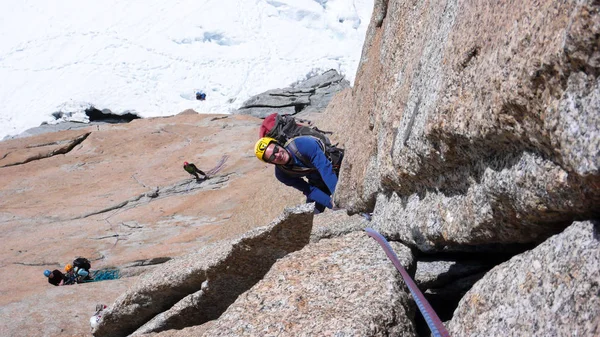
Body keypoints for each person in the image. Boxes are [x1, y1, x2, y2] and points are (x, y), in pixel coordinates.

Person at [254, 136, 338, 213]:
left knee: (339, 199)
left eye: (276, 149)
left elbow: (326, 169)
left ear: (279, 144)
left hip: (335, 168)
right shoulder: (282, 174)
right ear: (271, 162)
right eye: (272, 157)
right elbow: (308, 189)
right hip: (317, 180)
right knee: (310, 214)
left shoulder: (302, 145)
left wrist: (337, 198)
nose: (278, 155)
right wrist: (331, 204)